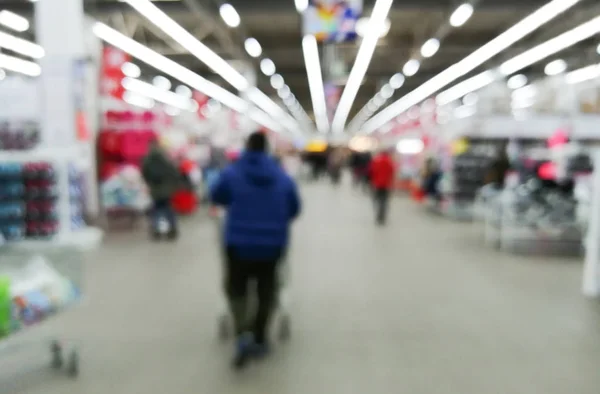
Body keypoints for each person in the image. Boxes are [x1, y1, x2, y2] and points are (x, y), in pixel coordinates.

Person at [210, 131, 301, 369]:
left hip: (238, 244)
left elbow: (216, 196)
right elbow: (294, 208)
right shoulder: (282, 177)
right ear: (267, 150)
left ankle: (242, 333)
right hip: (272, 246)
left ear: (246, 147)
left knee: (236, 288)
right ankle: (260, 335)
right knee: (266, 290)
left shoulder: (231, 173)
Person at [141, 139, 181, 240]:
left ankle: (157, 230)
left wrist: (149, 184)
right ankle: (172, 229)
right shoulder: (166, 159)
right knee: (168, 208)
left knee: (157, 209)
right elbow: (174, 172)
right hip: (167, 188)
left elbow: (145, 174)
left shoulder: (147, 160)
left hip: (155, 188)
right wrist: (174, 185)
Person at [369, 149, 396, 225]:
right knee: (384, 201)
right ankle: (382, 215)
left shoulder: (376, 161)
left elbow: (372, 171)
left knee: (376, 200)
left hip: (377, 184)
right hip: (386, 184)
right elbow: (392, 173)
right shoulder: (390, 162)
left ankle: (378, 214)